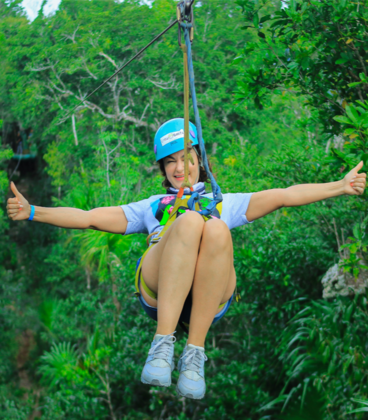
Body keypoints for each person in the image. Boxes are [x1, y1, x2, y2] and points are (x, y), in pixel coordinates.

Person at [6, 118, 367, 400]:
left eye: (187, 158)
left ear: (199, 158)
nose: (180, 168)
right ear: (162, 169)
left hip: (209, 295)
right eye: (171, 162)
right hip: (160, 287)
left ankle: (194, 353)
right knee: (191, 219)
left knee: (216, 228)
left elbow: (285, 195)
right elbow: (88, 216)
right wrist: (33, 210)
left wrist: (340, 186)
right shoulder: (152, 207)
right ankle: (162, 345)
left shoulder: (223, 201)